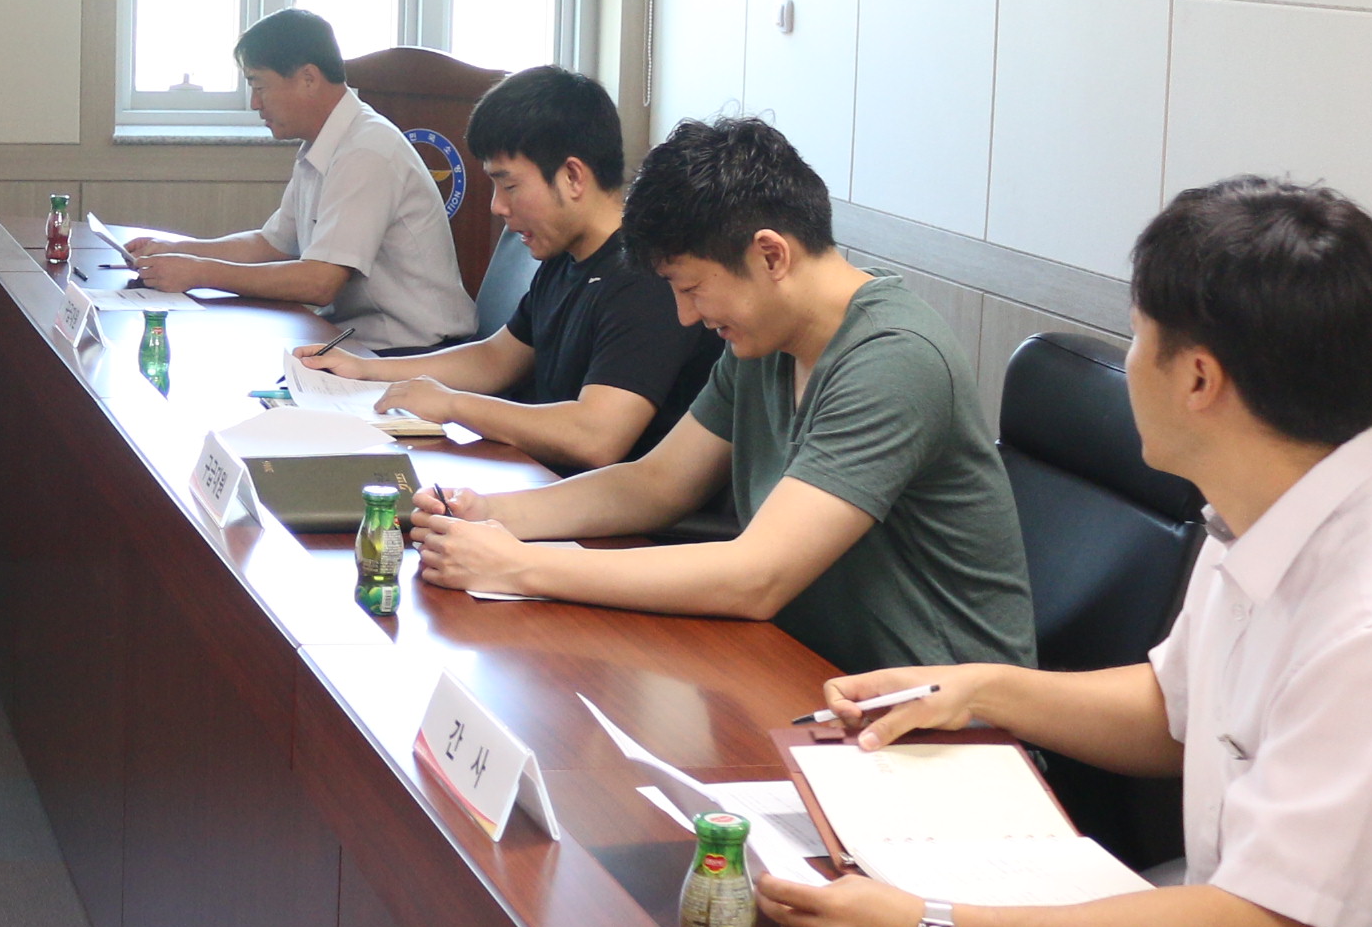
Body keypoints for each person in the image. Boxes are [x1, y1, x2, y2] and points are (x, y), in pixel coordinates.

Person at [764, 180, 1372, 927]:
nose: (1126, 363)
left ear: (1198, 380)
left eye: (1135, 337)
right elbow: (1176, 710)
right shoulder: (1270, 507)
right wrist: (981, 690)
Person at [406, 115, 1034, 676]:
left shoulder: (893, 360)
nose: (686, 317)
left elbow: (758, 576)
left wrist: (517, 566)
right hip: (808, 672)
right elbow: (655, 485)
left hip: (945, 726)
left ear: (770, 256)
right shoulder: (765, 340)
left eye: (692, 288)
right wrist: (490, 515)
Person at [299, 64, 718, 469]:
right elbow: (496, 359)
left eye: (510, 185)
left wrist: (453, 405)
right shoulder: (565, 258)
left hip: (606, 508)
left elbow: (595, 436)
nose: (497, 206)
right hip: (541, 478)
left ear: (573, 177)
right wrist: (367, 369)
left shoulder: (645, 278)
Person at [120, 8, 472, 352]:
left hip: (414, 351)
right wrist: (177, 250)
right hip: (357, 340)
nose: (255, 103)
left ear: (308, 78)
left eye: (260, 86)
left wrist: (200, 272)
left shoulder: (367, 150)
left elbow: (320, 283)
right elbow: (272, 244)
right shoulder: (323, 142)